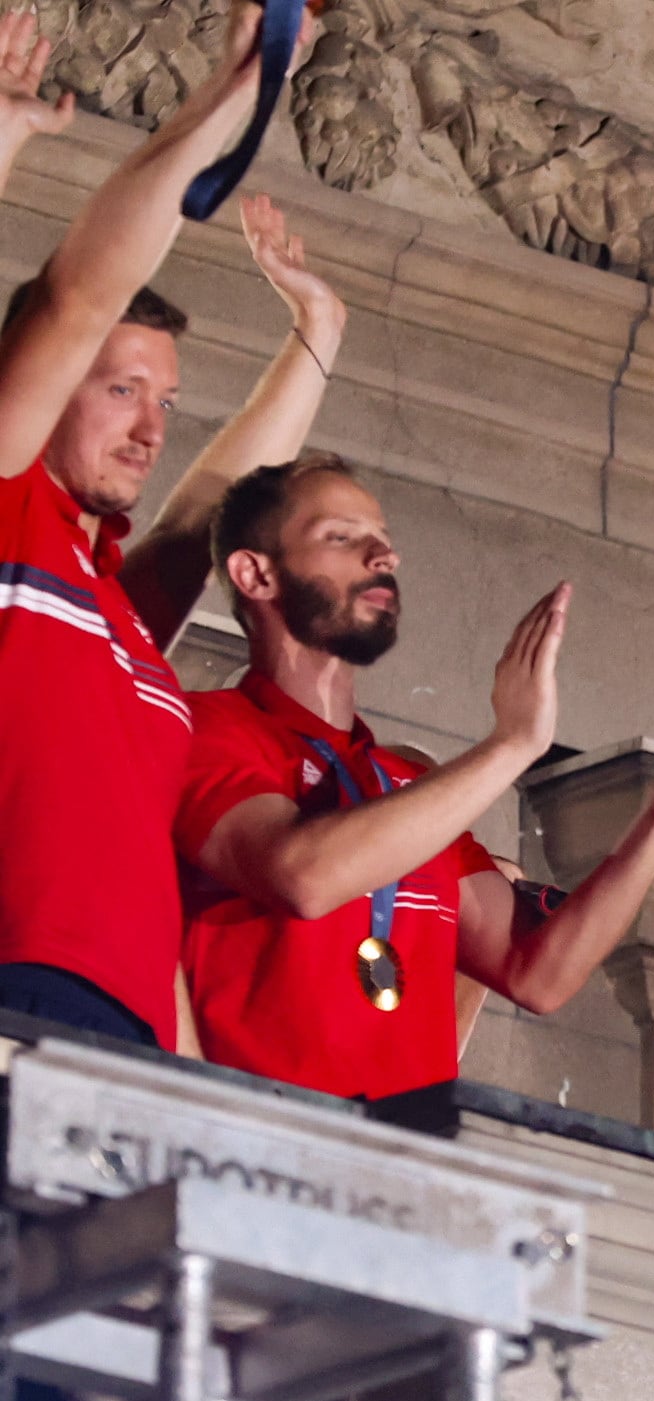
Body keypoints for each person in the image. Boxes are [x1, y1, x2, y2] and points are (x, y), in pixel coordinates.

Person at [172, 455, 654, 1097]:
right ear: (256, 573)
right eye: (342, 536)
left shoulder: (406, 782)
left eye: (382, 536)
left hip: (406, 1169)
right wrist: (511, 745)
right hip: (251, 1151)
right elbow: (303, 876)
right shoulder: (206, 730)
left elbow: (537, 975)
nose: (383, 553)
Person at [0, 5, 330, 1045]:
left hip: (132, 1030)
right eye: (122, 391)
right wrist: (228, 96)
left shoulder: (117, 610)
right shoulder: (11, 515)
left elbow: (210, 503)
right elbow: (73, 298)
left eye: (167, 404)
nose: (151, 430)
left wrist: (319, 337)